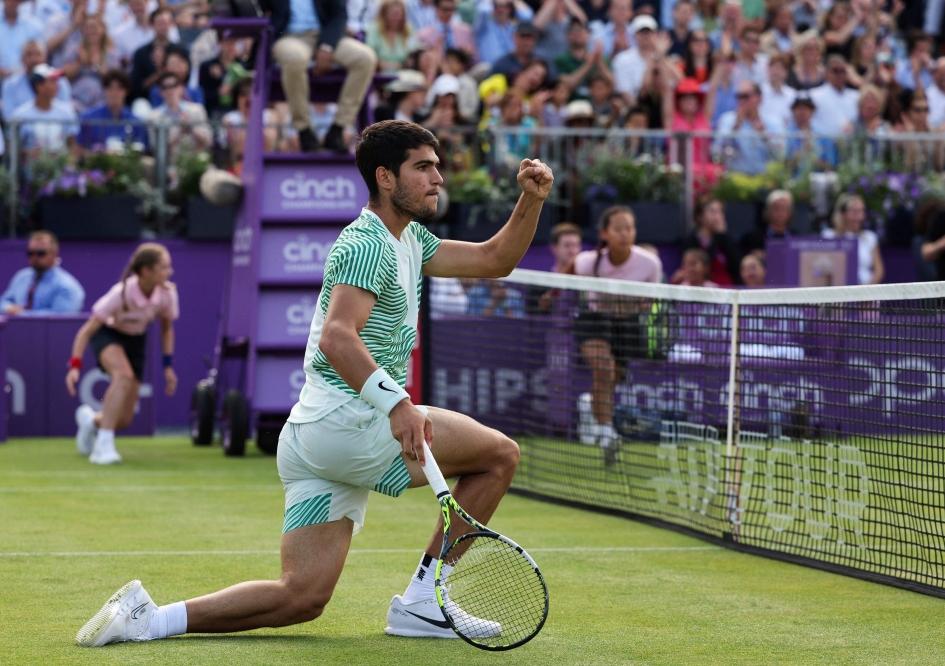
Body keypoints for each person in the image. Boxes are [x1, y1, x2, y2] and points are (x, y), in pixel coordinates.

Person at [74, 119, 554, 648]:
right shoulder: (367, 243)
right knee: (500, 455)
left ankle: (149, 619)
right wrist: (397, 404)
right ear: (385, 178)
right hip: (354, 423)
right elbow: (337, 337)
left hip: (310, 439)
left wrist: (530, 200)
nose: (437, 177)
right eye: (423, 166)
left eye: (437, 166)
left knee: (300, 597)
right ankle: (423, 600)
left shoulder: (411, 238)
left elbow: (495, 259)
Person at [65, 243, 179, 465]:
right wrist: (75, 366)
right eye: (164, 267)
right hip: (109, 335)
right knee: (123, 375)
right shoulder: (121, 294)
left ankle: (90, 421)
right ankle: (102, 448)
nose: (169, 272)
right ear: (146, 271)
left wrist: (168, 366)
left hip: (136, 341)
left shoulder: (167, 294)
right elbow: (86, 331)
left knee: (124, 419)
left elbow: (166, 328)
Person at [570, 206, 662, 464]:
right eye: (618, 229)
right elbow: (569, 270)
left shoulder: (649, 264)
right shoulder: (589, 261)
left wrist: (645, 301)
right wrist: (549, 295)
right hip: (594, 320)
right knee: (604, 369)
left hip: (628, 325)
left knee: (612, 379)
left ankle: (593, 406)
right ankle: (607, 435)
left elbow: (653, 299)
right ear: (605, 233)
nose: (625, 234)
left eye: (629, 228)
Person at [263, 0, 378, 153]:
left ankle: (338, 129)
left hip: (326, 35)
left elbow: (339, 14)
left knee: (366, 58)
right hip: (289, 37)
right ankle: (303, 130)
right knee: (294, 59)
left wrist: (327, 45)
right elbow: (257, 9)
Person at [0, 230, 85, 316]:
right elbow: (3, 302)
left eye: (40, 253)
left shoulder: (66, 286)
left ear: (54, 253)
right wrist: (7, 308)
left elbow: (60, 319)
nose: (34, 257)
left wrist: (21, 314)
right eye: (30, 253)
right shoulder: (21, 278)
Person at [714, 80, 783, 174]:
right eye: (738, 96)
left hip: (765, 179)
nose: (741, 100)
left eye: (745, 96)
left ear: (758, 98)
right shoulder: (727, 120)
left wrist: (765, 137)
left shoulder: (773, 122)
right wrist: (734, 129)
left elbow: (780, 155)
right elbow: (717, 152)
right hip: (736, 178)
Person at [9, 64, 79, 152]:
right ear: (39, 86)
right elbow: (14, 150)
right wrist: (30, 154)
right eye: (52, 81)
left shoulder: (67, 112)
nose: (57, 86)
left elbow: (72, 146)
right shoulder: (19, 115)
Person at [77, 69, 149, 151]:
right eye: (110, 88)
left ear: (126, 91)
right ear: (104, 90)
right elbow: (80, 150)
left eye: (119, 88)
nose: (114, 93)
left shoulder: (137, 123)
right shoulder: (89, 118)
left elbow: (143, 152)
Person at [0, 39, 72, 120]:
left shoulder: (60, 81)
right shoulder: (10, 84)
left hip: (58, 132)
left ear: (45, 57)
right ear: (22, 58)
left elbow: (68, 118)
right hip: (23, 132)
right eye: (29, 54)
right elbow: (9, 119)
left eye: (38, 54)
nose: (34, 59)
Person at [677, 195, 740, 285]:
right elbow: (704, 265)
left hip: (728, 288)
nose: (718, 216)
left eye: (721, 211)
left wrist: (723, 237)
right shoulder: (691, 241)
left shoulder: (726, 238)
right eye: (713, 211)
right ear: (699, 216)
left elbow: (737, 266)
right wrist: (717, 238)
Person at [822, 193, 883, 284]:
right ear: (842, 213)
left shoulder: (869, 237)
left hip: (866, 291)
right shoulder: (829, 236)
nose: (861, 217)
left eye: (862, 211)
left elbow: (879, 271)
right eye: (855, 212)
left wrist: (866, 289)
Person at [147, 72, 212, 155]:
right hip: (168, 165)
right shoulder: (153, 117)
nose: (169, 91)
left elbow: (208, 143)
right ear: (160, 92)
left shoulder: (197, 110)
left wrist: (190, 127)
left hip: (196, 162)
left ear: (181, 88)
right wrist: (179, 131)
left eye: (173, 86)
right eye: (165, 87)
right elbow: (156, 148)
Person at [64, 14, 119, 112]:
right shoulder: (75, 50)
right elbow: (65, 76)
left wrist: (99, 66)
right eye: (88, 27)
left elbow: (115, 81)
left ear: (102, 29)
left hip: (102, 101)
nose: (91, 30)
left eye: (95, 27)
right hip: (77, 100)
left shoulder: (111, 54)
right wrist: (80, 63)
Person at [130, 8, 183, 101]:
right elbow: (138, 87)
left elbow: (185, 81)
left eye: (167, 22)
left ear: (171, 24)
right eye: (160, 23)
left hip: (176, 98)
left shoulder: (180, 51)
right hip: (146, 100)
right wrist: (159, 73)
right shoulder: (141, 53)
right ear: (152, 25)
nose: (164, 26)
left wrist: (167, 66)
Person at [199, 34, 248, 117]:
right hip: (215, 110)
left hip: (237, 110)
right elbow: (202, 94)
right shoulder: (207, 66)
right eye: (228, 43)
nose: (231, 47)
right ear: (220, 44)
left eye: (234, 43)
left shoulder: (243, 66)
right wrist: (218, 92)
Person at [809, 54, 859, 136]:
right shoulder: (814, 95)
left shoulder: (855, 97)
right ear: (826, 73)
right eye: (835, 71)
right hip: (824, 144)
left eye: (843, 71)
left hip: (848, 145)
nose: (840, 75)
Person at [475, 0, 535, 66]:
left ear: (511, 9)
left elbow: (528, 17)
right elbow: (484, 11)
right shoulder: (484, 27)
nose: (501, 10)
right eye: (497, 6)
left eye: (506, 6)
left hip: (511, 71)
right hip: (489, 71)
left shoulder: (514, 28)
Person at [743, 189, 797, 254]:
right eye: (776, 208)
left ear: (790, 212)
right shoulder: (753, 239)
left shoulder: (798, 239)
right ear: (767, 211)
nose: (780, 213)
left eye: (784, 209)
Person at [0, 0, 42, 77]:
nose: (12, 2)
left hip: (28, 78)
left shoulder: (33, 25)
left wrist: (25, 71)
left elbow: (41, 55)